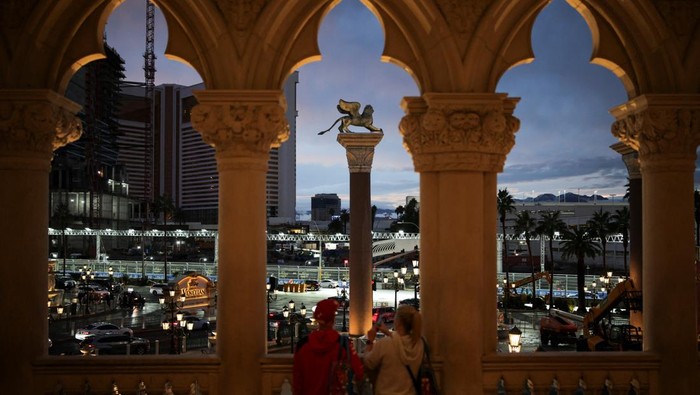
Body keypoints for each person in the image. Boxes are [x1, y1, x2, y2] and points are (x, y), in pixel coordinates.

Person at [293, 298, 364, 395]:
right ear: (333, 320)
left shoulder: (302, 345)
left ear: (316, 319)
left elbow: (297, 381)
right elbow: (359, 372)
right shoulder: (343, 344)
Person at [363, 304, 425, 395]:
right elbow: (400, 343)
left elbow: (369, 362)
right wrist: (388, 333)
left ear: (398, 322)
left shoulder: (385, 344)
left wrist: (370, 341)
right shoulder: (419, 344)